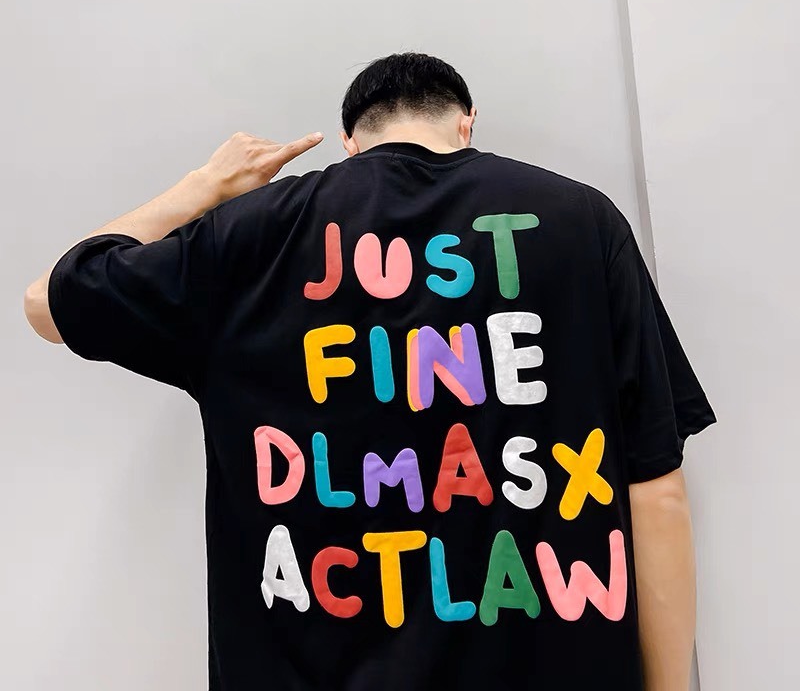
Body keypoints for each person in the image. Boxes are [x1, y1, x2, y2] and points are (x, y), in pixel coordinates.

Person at [24, 52, 717, 691]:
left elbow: (47, 304)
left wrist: (206, 187)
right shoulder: (584, 221)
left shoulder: (250, 236)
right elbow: (657, 490)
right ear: (467, 123)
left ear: (350, 143)